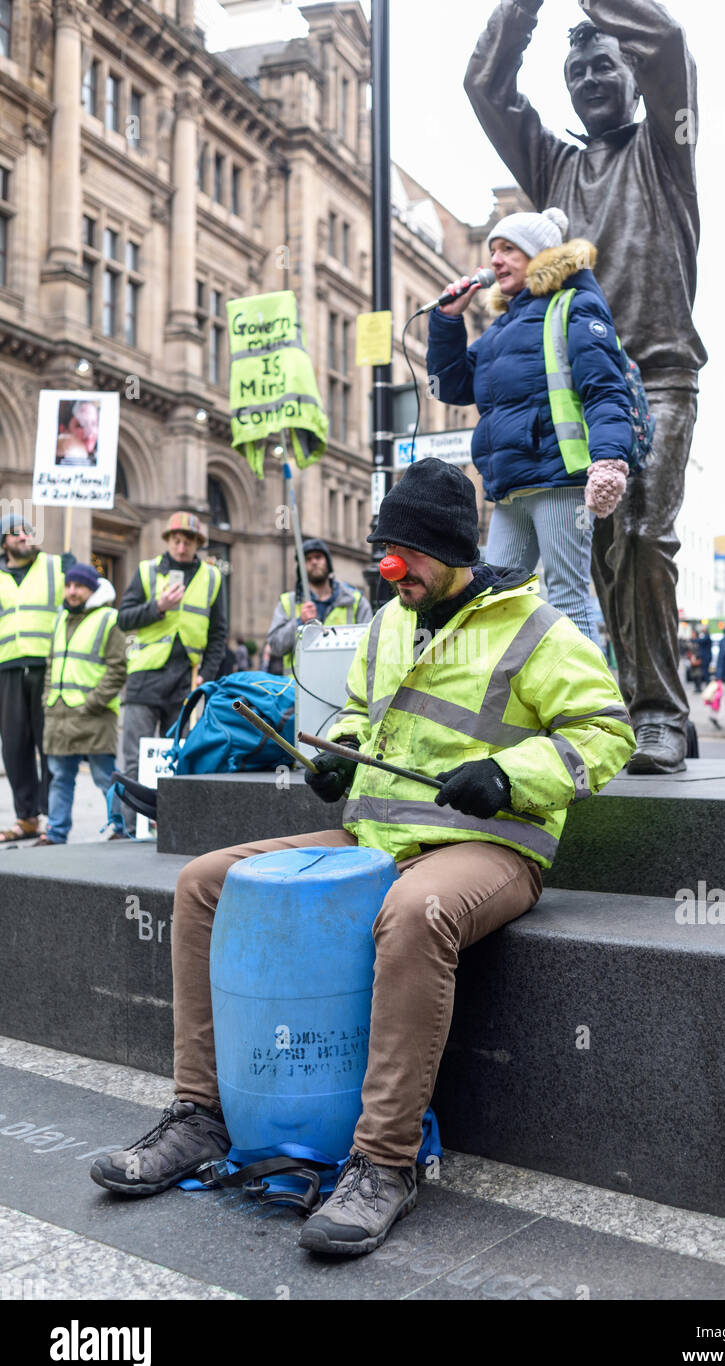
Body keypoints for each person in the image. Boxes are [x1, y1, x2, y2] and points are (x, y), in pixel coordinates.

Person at [90, 457, 636, 1257]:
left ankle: (385, 1160)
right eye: (383, 548)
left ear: (451, 550)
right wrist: (339, 754)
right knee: (205, 882)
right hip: (374, 835)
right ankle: (201, 1117)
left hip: (487, 846)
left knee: (415, 913)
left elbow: (606, 733)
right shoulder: (387, 620)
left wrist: (508, 774)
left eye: (404, 552)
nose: (389, 567)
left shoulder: (536, 626)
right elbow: (354, 713)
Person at [465, 0, 707, 772]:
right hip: (581, 391)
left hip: (657, 377)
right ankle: (607, 708)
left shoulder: (666, 147)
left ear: (633, 78)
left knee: (638, 535)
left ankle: (659, 714)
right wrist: (522, 8)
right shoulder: (553, 169)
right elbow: (485, 86)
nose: (590, 78)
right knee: (594, 556)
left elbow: (665, 40)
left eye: (605, 63)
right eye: (576, 72)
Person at [427, 206, 633, 647]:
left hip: (559, 479)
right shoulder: (499, 331)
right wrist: (447, 321)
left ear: (540, 255)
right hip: (509, 486)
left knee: (566, 599)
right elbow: (448, 385)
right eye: (493, 250)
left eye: (509, 249)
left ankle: (590, 713)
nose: (496, 260)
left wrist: (610, 458)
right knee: (492, 603)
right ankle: (512, 710)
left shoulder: (574, 306)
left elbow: (605, 388)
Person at [116, 512, 227, 833]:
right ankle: (123, 827)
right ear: (167, 541)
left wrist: (207, 673)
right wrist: (158, 607)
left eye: (188, 541)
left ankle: (168, 826)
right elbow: (123, 619)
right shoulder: (146, 571)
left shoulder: (212, 577)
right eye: (176, 540)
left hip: (187, 679)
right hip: (145, 678)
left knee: (177, 758)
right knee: (135, 757)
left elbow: (219, 632)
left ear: (197, 544)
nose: (181, 547)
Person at [37, 564, 127, 845]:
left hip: (94, 715)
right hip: (59, 713)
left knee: (104, 777)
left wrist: (93, 703)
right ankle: (55, 833)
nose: (72, 591)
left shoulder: (110, 618)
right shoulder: (59, 618)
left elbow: (118, 668)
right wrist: (47, 698)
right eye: (69, 585)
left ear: (92, 589)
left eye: (79, 586)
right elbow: (52, 664)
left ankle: (119, 829)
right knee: (60, 778)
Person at [0, 513, 73, 843]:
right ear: (4, 542)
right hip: (8, 669)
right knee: (15, 746)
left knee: (50, 743)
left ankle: (51, 814)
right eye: (16, 533)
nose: (24, 537)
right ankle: (26, 817)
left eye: (28, 531)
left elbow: (85, 590)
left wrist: (73, 566)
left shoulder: (55, 566)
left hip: (47, 668)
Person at [266, 538, 372, 673]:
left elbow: (370, 645)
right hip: (298, 690)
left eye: (318, 557)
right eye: (308, 559)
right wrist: (299, 622)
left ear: (328, 561)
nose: (314, 562)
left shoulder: (355, 601)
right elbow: (275, 645)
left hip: (344, 687)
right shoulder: (288, 602)